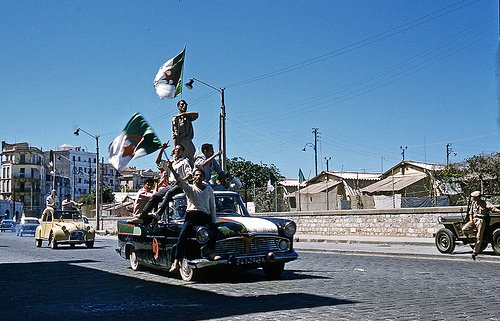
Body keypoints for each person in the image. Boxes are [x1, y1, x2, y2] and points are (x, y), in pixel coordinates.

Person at [167, 163, 218, 273]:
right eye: (196, 175)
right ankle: (176, 261)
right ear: (193, 177)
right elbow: (179, 180)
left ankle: (211, 252)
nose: (198, 177)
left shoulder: (209, 189)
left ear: (203, 177)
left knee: (214, 230)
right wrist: (171, 167)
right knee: (182, 235)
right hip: (191, 215)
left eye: (200, 175)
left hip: (204, 215)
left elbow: (212, 206)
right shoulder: (189, 188)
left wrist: (213, 220)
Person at [151, 144, 193, 220]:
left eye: (179, 149)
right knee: (156, 195)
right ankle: (145, 214)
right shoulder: (171, 162)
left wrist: (181, 181)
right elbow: (158, 161)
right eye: (176, 149)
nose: (177, 151)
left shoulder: (184, 161)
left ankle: (159, 213)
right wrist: (162, 149)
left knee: (169, 193)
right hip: (170, 185)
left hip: (181, 185)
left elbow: (190, 175)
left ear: (183, 152)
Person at [462, 190, 500, 260]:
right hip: (474, 220)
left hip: (481, 220)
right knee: (464, 229)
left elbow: (493, 209)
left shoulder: (485, 203)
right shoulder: (473, 203)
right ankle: (474, 235)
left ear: (478, 197)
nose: (473, 198)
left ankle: (475, 252)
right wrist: (471, 220)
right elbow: (470, 212)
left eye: (474, 197)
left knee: (479, 237)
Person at [172, 100, 198, 166]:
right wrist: (175, 147)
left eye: (185, 105)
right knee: (181, 161)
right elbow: (174, 135)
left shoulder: (188, 116)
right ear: (178, 106)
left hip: (189, 142)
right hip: (181, 143)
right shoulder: (175, 119)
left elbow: (196, 114)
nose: (184, 106)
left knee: (194, 160)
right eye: (182, 105)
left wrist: (184, 114)